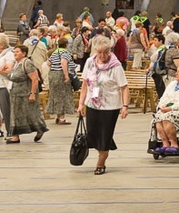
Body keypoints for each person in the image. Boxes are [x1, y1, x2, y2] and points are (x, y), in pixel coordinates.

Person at [77, 36, 129, 175]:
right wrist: (81, 104)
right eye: (99, 52)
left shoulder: (116, 66)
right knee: (93, 135)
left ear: (110, 51)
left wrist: (125, 106)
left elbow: (124, 87)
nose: (102, 55)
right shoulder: (90, 62)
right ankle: (103, 151)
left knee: (105, 135)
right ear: (95, 51)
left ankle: (101, 163)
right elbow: (85, 84)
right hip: (92, 104)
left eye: (105, 52)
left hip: (110, 106)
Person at [7, 44, 48, 144]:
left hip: (26, 94)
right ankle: (15, 136)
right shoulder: (16, 64)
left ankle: (40, 129)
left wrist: (32, 93)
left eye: (17, 52)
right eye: (14, 52)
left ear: (24, 53)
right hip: (15, 94)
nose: (15, 54)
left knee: (31, 113)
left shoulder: (27, 63)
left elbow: (34, 79)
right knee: (15, 115)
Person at [45, 38, 76, 125]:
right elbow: (63, 62)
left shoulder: (55, 52)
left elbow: (48, 63)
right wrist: (66, 75)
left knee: (56, 95)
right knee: (63, 95)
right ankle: (62, 118)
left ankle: (58, 116)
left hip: (52, 75)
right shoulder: (65, 52)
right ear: (66, 44)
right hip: (60, 75)